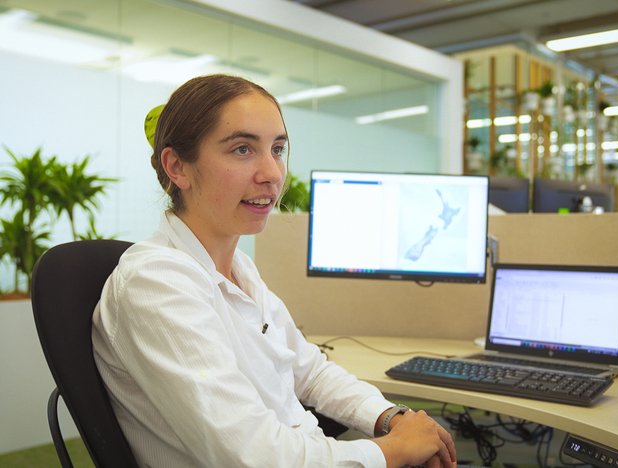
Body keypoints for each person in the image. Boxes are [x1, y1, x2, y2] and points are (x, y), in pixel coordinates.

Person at [92, 74, 457, 468]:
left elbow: (309, 371)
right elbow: (253, 455)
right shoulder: (156, 282)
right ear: (178, 167)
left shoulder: (238, 269)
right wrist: (393, 451)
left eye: (278, 149)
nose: (272, 173)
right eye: (242, 149)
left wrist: (390, 417)